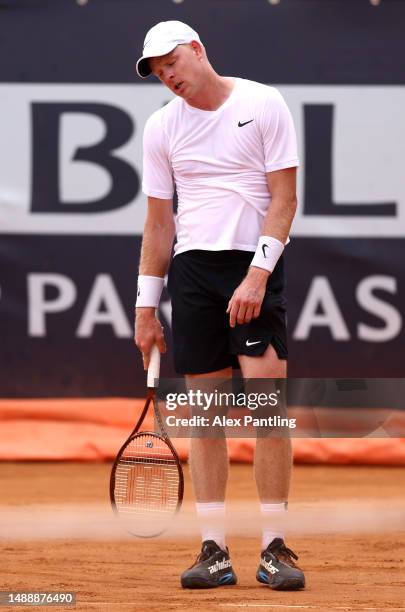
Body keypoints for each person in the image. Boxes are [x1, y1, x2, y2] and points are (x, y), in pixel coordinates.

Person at [134, 20, 305, 591]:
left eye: (172, 63)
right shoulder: (161, 127)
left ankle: (275, 548)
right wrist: (144, 308)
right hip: (193, 273)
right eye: (159, 73)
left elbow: (284, 197)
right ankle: (214, 550)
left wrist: (258, 275)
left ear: (198, 50)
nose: (169, 77)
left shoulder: (264, 102)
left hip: (252, 265)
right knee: (206, 416)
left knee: (267, 409)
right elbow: (159, 224)